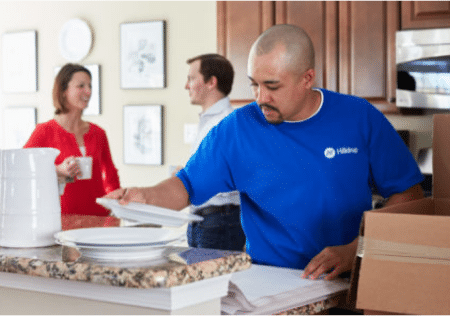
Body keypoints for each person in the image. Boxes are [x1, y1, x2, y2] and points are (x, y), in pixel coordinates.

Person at [105, 25, 424, 280]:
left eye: (272, 86)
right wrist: (143, 196)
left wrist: (357, 250)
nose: (260, 97)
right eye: (254, 84)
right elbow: (185, 186)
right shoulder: (236, 130)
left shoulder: (360, 118)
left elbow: (409, 195)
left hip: (349, 280)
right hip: (269, 284)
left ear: (307, 78)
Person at [24, 63, 120, 217]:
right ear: (63, 91)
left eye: (90, 86)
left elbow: (110, 175)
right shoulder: (44, 131)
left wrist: (118, 207)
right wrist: (57, 170)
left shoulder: (99, 133)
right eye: (81, 86)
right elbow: (24, 167)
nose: (88, 91)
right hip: (60, 218)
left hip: (99, 218)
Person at [180, 53, 245, 251]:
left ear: (211, 82)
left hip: (219, 222)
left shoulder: (228, 123)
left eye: (191, 78)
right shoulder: (207, 122)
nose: (186, 85)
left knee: (215, 282)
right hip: (200, 221)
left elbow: (237, 176)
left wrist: (192, 177)